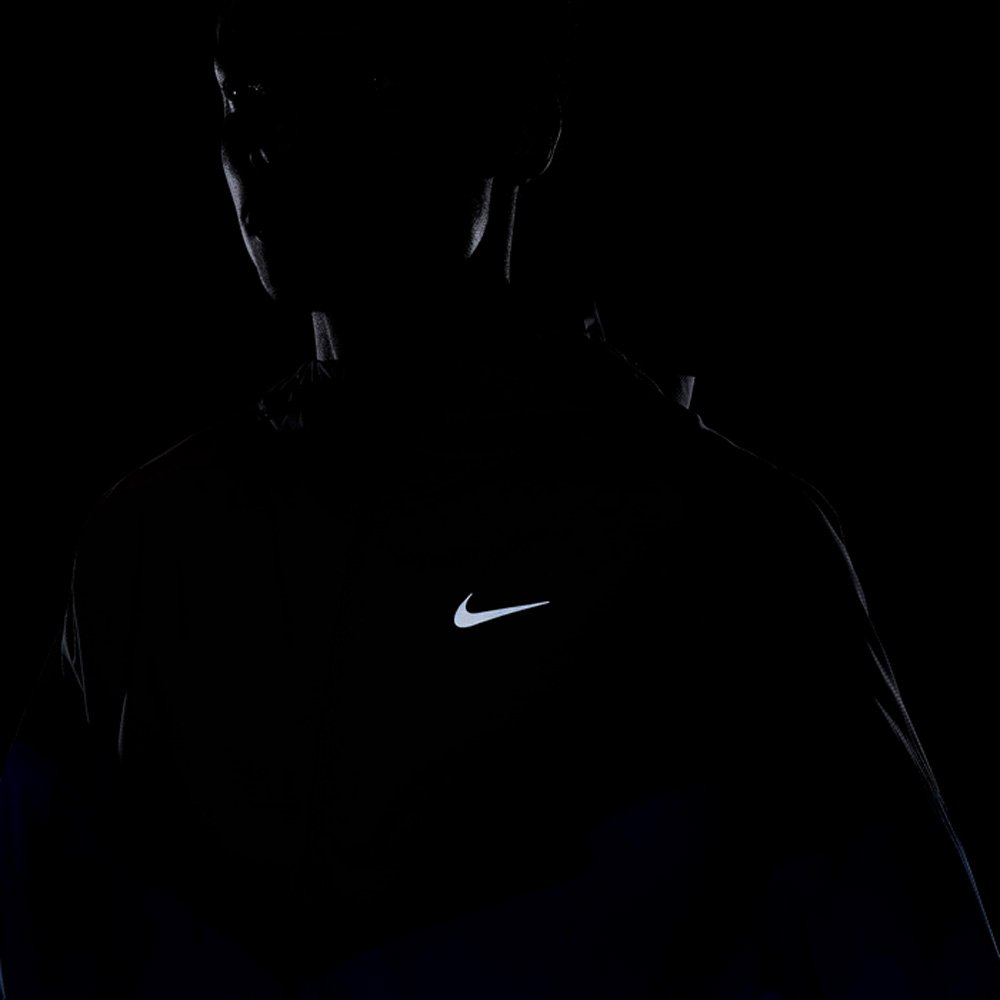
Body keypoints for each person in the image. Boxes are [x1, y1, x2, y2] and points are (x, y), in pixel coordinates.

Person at [2, 2, 996, 997]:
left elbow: (908, 966)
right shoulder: (140, 547)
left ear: (524, 114)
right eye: (246, 92)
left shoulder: (723, 546)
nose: (274, 133)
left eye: (360, 76)